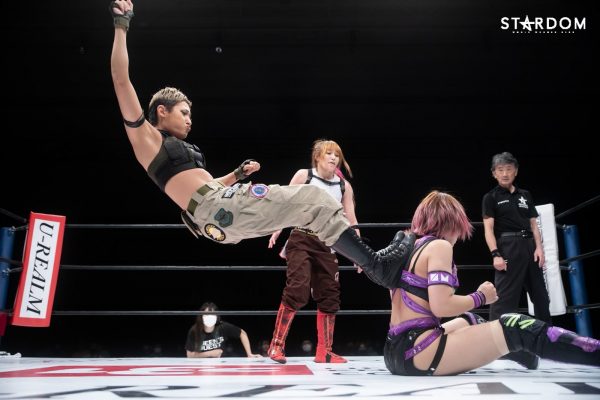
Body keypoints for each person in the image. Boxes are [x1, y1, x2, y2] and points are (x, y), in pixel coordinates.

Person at [108, 0, 415, 292]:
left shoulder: (177, 153)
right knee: (314, 197)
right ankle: (378, 266)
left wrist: (236, 174)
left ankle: (376, 264)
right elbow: (121, 80)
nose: (190, 120)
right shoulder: (147, 139)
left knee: (314, 210)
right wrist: (122, 24)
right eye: (184, 113)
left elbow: (204, 188)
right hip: (220, 210)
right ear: (162, 111)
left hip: (220, 217)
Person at [383, 191, 599, 376]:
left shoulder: (409, 248)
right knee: (516, 326)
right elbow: (441, 307)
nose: (459, 236)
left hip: (395, 351)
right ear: (452, 221)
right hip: (419, 352)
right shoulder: (439, 246)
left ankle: (523, 353)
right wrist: (481, 297)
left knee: (473, 320)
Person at [267, 139, 355, 364]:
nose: (334, 158)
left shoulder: (343, 186)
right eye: (329, 153)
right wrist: (277, 229)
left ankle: (324, 351)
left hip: (327, 242)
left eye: (337, 154)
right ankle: (276, 345)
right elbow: (283, 204)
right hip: (302, 238)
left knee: (330, 294)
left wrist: (359, 254)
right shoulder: (304, 176)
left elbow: (351, 220)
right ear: (317, 157)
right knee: (297, 287)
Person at [482, 152, 551, 369]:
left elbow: (533, 225)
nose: (505, 173)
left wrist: (539, 248)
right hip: (508, 247)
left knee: (541, 297)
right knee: (504, 300)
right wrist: (495, 254)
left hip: (530, 247)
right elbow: (488, 229)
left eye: (509, 169)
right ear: (494, 173)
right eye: (500, 170)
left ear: (516, 171)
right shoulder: (490, 197)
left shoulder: (525, 195)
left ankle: (546, 344)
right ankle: (497, 347)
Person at [185, 302, 262, 358]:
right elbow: (189, 355)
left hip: (221, 364)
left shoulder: (222, 327)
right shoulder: (194, 330)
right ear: (201, 316)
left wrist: (249, 354)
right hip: (201, 365)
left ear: (217, 316)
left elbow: (242, 333)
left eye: (212, 314)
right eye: (206, 314)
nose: (209, 317)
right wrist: (210, 353)